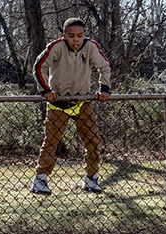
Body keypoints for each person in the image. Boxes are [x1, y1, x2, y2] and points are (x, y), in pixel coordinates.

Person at [30, 17, 111, 195]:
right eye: (71, 36)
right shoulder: (56, 47)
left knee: (93, 141)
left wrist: (103, 88)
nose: (76, 40)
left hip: (82, 102)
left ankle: (91, 179)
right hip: (58, 103)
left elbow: (104, 67)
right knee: (51, 142)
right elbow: (39, 67)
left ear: (84, 36)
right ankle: (40, 180)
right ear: (64, 36)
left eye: (79, 36)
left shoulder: (91, 47)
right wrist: (46, 91)